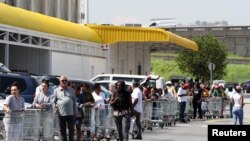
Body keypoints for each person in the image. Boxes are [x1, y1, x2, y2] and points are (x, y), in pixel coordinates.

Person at [53, 76, 77, 141]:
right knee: (62, 131)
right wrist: (55, 108)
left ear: (67, 81)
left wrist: (75, 112)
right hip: (61, 114)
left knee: (71, 131)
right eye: (62, 80)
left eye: (65, 80)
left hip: (71, 114)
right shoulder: (56, 90)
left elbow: (74, 101)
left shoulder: (71, 89)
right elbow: (53, 101)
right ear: (60, 82)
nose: (64, 82)